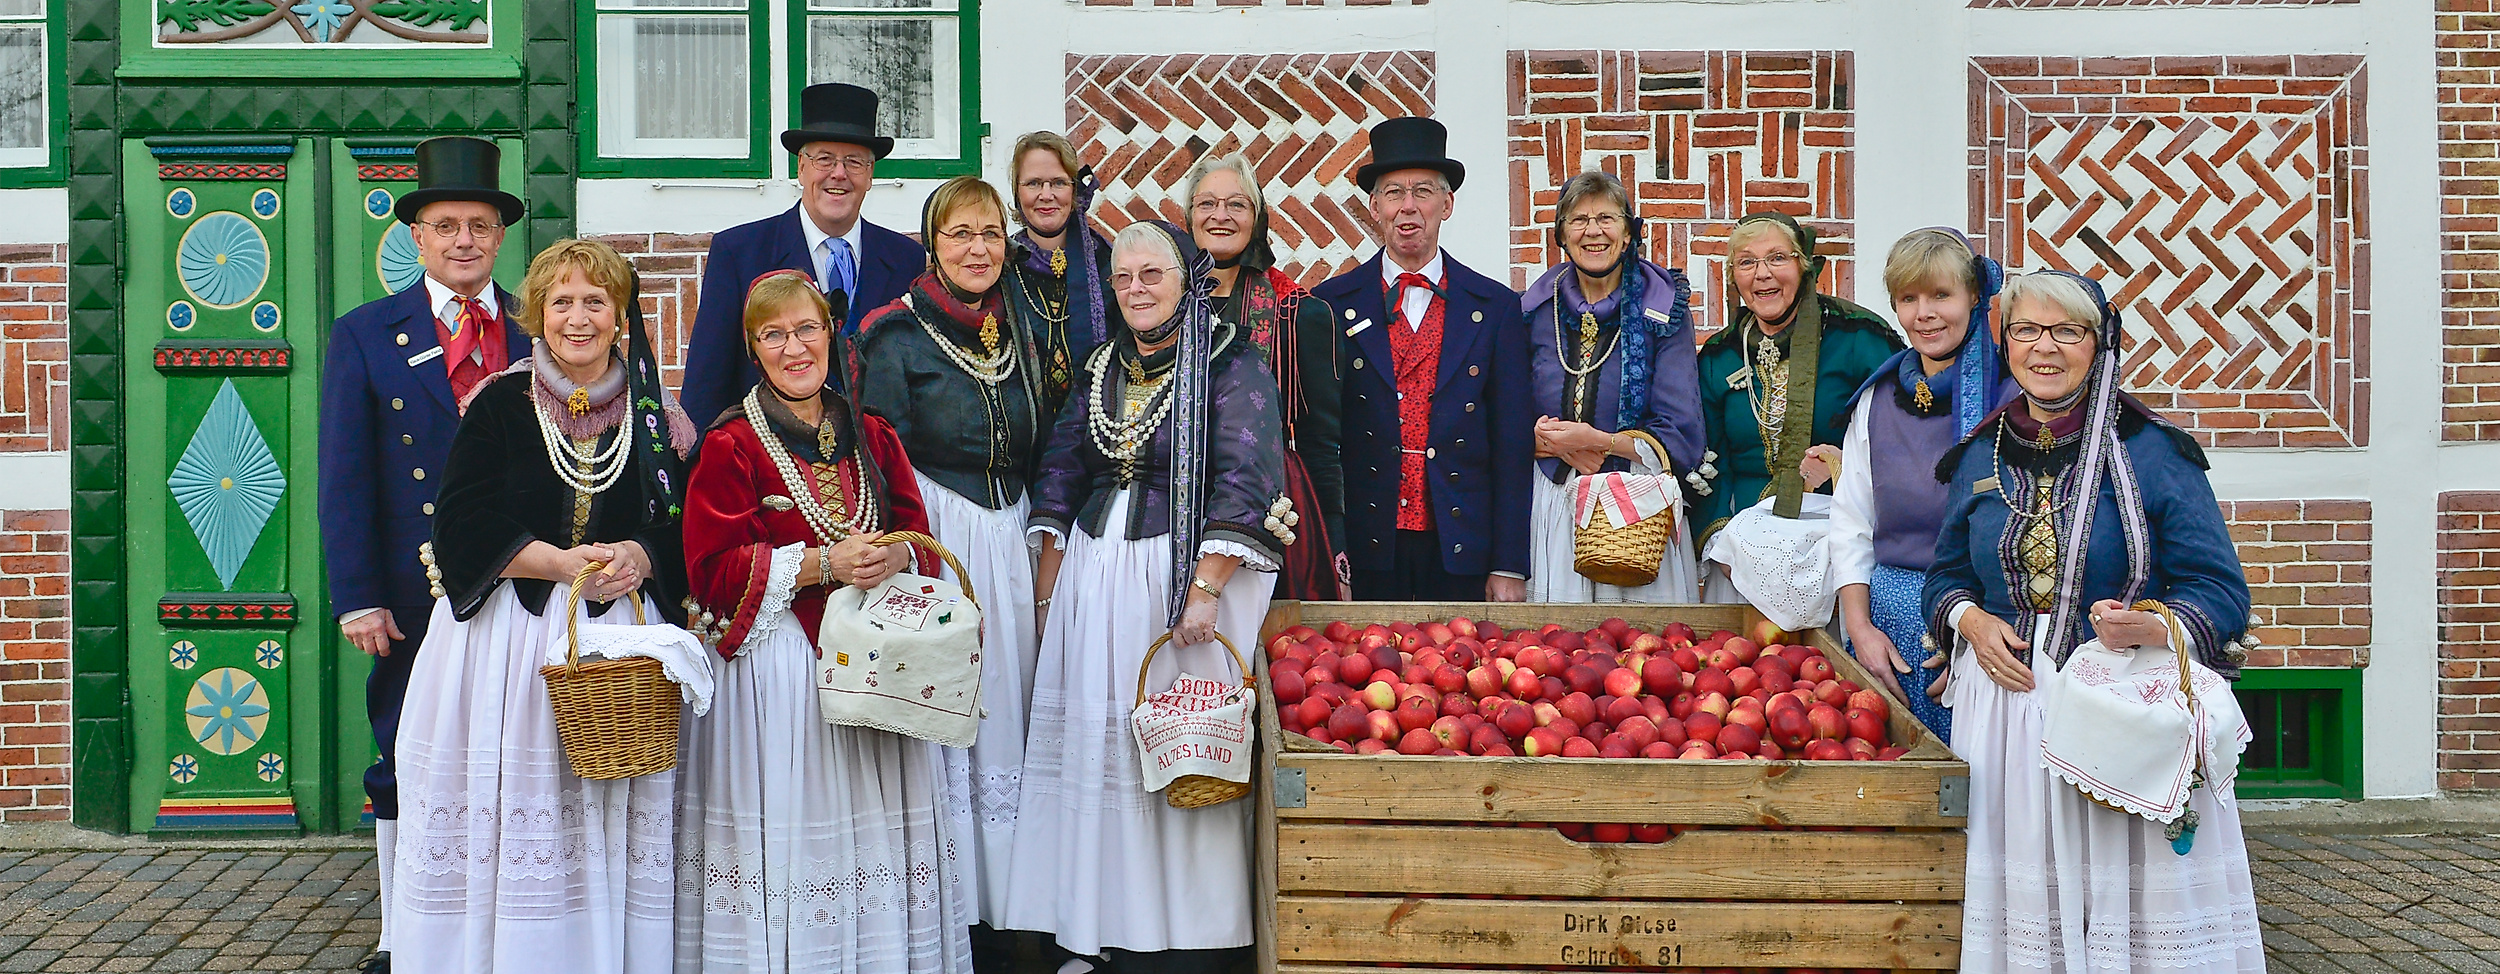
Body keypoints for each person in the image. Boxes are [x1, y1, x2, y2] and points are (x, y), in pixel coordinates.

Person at [1924, 270, 2262, 972]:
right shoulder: (1979, 454)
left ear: (2100, 343)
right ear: (2003, 340)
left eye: (2067, 331)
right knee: (2032, 899)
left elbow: (2221, 591)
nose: (2044, 348)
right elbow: (1948, 575)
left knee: (2128, 900)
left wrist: (2151, 624)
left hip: (2118, 708)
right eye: (2026, 330)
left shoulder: (2153, 451)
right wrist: (1970, 622)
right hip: (2008, 709)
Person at [390, 238, 698, 973]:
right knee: (516, 808)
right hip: (511, 642)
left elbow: (683, 519)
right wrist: (560, 564)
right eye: (562, 301)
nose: (579, 317)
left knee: (602, 812)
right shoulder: (499, 401)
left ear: (619, 315)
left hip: (615, 646)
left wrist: (643, 554)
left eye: (596, 301)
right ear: (538, 314)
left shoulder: (654, 415)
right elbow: (461, 520)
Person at [1003, 221, 1285, 974]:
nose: (1135, 289)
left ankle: (1183, 942)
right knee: (1101, 749)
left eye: (1151, 274)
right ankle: (1093, 928)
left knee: (1180, 749)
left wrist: (1204, 589)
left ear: (1185, 277)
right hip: (1097, 581)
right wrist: (1048, 580)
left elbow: (1247, 475)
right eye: (1123, 277)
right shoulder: (1102, 366)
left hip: (1182, 581)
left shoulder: (1231, 362)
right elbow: (1063, 464)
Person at [674, 268, 971, 973]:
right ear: (754, 350)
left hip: (881, 666)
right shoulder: (730, 444)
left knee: (872, 841)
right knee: (799, 836)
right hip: (784, 672)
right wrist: (821, 564)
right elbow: (710, 571)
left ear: (830, 336)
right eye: (774, 335)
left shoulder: (870, 432)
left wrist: (893, 553)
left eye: (806, 329)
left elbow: (917, 534)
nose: (794, 348)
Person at [316, 135, 531, 974]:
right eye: (447, 225)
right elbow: (345, 477)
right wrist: (357, 594)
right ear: (417, 235)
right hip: (413, 588)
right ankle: (400, 932)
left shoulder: (536, 326)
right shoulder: (366, 334)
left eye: (479, 224)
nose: (464, 240)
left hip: (520, 584)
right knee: (405, 756)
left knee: (510, 759)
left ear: (500, 234)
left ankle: (502, 923)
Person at [854, 176, 1052, 974]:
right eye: (961, 233)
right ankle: (949, 911)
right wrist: (908, 542)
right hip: (937, 527)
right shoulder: (892, 334)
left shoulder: (1020, 328)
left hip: (1010, 529)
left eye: (991, 234)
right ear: (932, 243)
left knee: (1010, 705)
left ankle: (1013, 907)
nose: (979, 248)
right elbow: (876, 453)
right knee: (949, 710)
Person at [1312, 117, 1531, 603]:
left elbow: (1512, 445)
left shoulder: (1494, 307)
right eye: (1393, 192)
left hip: (1462, 543)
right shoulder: (1327, 305)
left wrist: (1509, 564)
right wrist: (1333, 555)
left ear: (1447, 204)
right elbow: (1318, 442)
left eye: (1423, 191)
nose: (1408, 207)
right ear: (1374, 207)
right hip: (1367, 544)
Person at [1826, 228, 2009, 743]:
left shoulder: (2013, 397)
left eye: (1941, 295)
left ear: (1975, 296)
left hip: (1991, 623)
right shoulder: (1877, 398)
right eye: (1909, 299)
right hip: (1892, 624)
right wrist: (1860, 631)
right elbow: (1852, 522)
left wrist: (1982, 636)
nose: (1924, 313)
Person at [1690, 211, 1902, 602]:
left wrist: (1842, 462)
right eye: (1747, 262)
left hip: (1834, 544)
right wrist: (1721, 541)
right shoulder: (1719, 356)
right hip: (1740, 550)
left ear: (1803, 267)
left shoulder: (1857, 336)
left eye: (1777, 258)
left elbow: (1901, 435)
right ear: (1733, 277)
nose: (1762, 273)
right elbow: (1706, 457)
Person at [681, 82, 920, 424]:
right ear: (801, 167)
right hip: (766, 467)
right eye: (824, 159)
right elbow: (705, 391)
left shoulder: (905, 259)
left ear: (870, 175)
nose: (839, 173)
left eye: (854, 162)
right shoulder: (738, 253)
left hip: (877, 467)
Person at [1519, 171, 1704, 603]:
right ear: (1561, 235)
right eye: (1578, 219)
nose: (1593, 231)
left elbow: (1682, 428)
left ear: (1627, 233)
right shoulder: (1532, 310)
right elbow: (1505, 406)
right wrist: (1536, 440)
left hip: (1635, 506)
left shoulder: (1662, 308)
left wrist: (1600, 441)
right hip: (1552, 501)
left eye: (1606, 217)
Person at [1184, 151, 1349, 601]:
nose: (1221, 215)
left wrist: (1338, 555)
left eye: (1237, 204)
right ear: (1189, 217)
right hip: (1173, 513)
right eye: (1207, 204)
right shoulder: (1155, 311)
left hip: (1273, 517)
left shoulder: (1299, 316)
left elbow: (1322, 446)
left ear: (1257, 219)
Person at [1001, 131, 1114, 420]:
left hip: (1096, 430)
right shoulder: (1002, 264)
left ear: (1074, 190)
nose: (1046, 195)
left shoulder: (1108, 264)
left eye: (1059, 183)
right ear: (1017, 192)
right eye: (1033, 183)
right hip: (1021, 432)